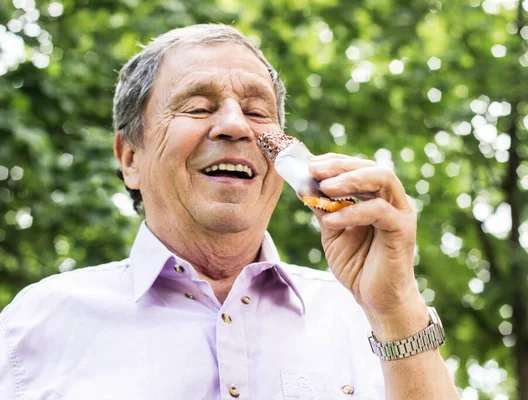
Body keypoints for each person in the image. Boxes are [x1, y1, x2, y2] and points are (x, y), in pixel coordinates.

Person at [0, 24, 458, 399]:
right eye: (198, 106)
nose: (236, 125)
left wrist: (395, 308)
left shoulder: (364, 320)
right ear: (130, 158)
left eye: (258, 112)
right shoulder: (34, 328)